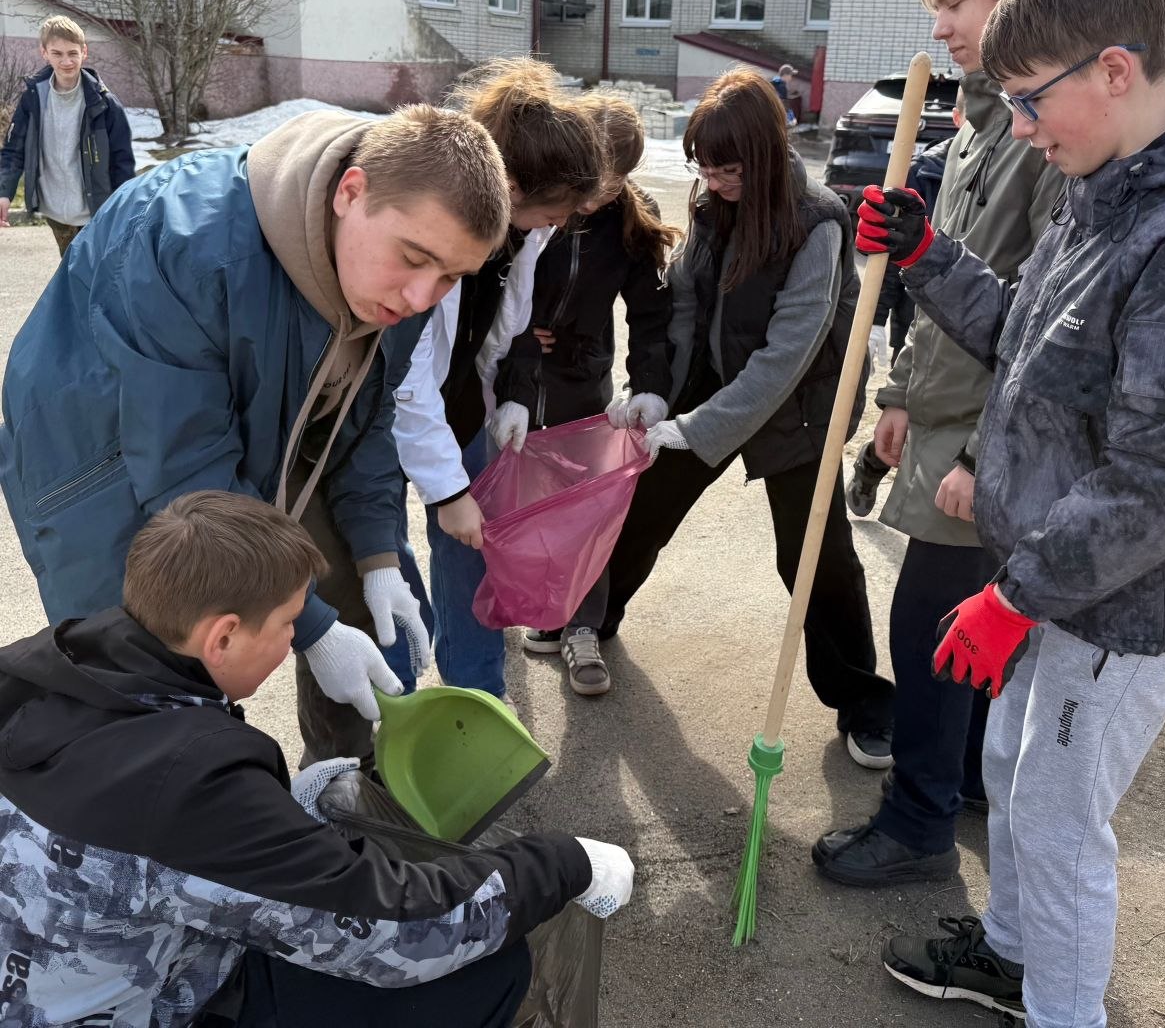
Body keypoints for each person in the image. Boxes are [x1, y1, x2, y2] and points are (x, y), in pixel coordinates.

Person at [857, 0, 1165, 1026]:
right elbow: (1029, 346)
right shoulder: (1107, 184)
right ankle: (1006, 953)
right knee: (1007, 762)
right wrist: (927, 256)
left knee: (1053, 820)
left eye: (1032, 98)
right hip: (1050, 566)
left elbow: (1163, 481)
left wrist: (1011, 594)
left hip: (1122, 595)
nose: (1021, 126)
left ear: (1113, 68)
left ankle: (1062, 1011)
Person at [0, 490, 633, 1028]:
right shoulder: (192, 785)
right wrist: (563, 863)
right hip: (134, 1007)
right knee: (484, 973)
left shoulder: (48, 669)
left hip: (43, 975)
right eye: (289, 625)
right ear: (222, 635)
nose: (293, 644)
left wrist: (277, 809)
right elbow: (399, 932)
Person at [0, 101, 510, 766]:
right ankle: (153, 830)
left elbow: (367, 425)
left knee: (360, 602)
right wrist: (312, 626)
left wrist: (378, 559)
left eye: (449, 276)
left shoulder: (398, 285)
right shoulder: (184, 238)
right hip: (107, 472)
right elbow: (188, 479)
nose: (422, 297)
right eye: (414, 258)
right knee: (151, 680)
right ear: (350, 192)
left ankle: (337, 785)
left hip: (251, 442)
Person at [817, 0, 1067, 889]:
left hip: (990, 436)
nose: (939, 24)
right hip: (945, 415)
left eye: (956, 0)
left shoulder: (1045, 135)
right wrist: (899, 394)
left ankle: (917, 816)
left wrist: (977, 452)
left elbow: (1049, 323)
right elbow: (941, 282)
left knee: (930, 629)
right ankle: (959, 775)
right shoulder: (975, 122)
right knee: (954, 627)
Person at [598, 67, 895, 758]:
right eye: (701, 164)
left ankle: (863, 702)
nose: (711, 179)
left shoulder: (817, 225)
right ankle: (590, 617)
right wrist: (661, 394)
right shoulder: (712, 205)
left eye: (726, 167)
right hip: (716, 377)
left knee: (813, 556)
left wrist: (699, 427)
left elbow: (784, 360)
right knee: (646, 504)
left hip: (800, 409)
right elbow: (686, 304)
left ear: (760, 157)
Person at [393, 59, 605, 700]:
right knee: (380, 560)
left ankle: (477, 695)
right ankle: (393, 703)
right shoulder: (440, 231)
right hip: (381, 409)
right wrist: (445, 486)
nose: (561, 224)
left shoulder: (518, 234)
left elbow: (505, 329)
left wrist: (510, 393)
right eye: (557, 209)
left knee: (469, 550)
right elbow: (409, 380)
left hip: (455, 401)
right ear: (512, 188)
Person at [488, 94, 678, 696]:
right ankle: (526, 609)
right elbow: (503, 301)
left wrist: (648, 386)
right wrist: (519, 369)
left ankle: (582, 626)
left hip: (582, 381)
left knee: (585, 507)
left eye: (613, 185)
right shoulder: (532, 204)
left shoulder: (630, 220)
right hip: (515, 378)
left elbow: (650, 314)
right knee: (511, 501)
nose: (593, 201)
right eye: (592, 184)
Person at [0, 14, 135, 256]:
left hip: (96, 211)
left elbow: (122, 162)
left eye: (72, 53)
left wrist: (122, 209)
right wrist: (4, 192)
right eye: (57, 53)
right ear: (44, 53)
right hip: (56, 212)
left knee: (95, 277)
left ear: (85, 52)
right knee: (70, 270)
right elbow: (14, 149)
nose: (66, 62)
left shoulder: (105, 104)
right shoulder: (33, 97)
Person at [861, 85, 966, 384]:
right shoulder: (923, 173)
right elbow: (891, 247)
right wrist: (876, 318)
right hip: (915, 326)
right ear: (957, 118)